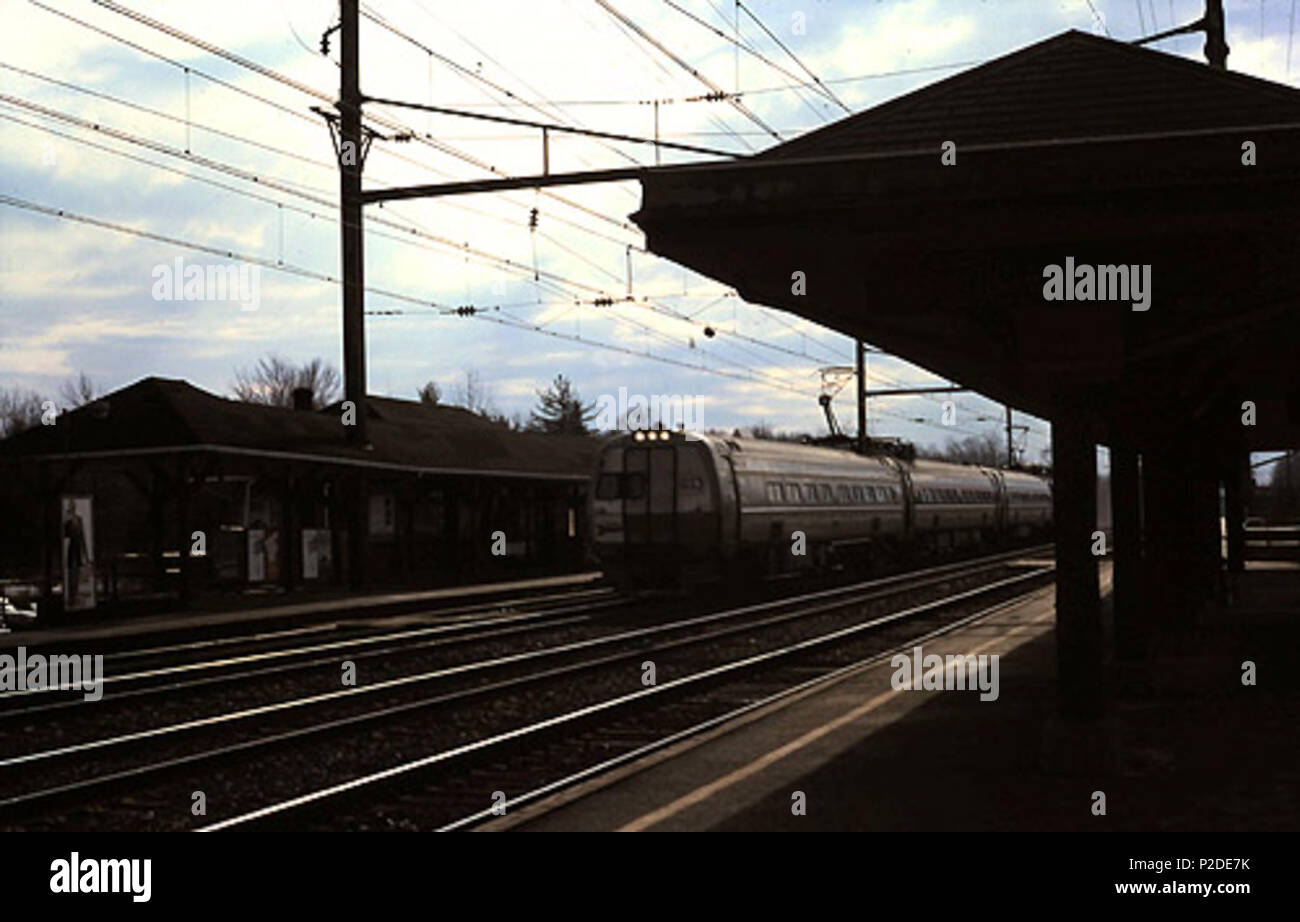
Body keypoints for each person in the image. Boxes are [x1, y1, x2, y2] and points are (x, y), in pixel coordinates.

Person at [63, 499, 89, 608]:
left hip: (77, 547)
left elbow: (82, 536)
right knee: (70, 572)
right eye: (70, 505)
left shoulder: (79, 519)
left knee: (77, 572)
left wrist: (85, 554)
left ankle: (75, 594)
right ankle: (71, 596)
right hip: (71, 548)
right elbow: (66, 535)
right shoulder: (67, 520)